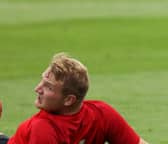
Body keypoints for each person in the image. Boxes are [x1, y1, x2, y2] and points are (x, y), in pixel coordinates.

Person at [0, 53, 148, 144]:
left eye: (48, 87)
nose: (37, 89)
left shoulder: (102, 114)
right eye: (42, 82)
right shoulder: (42, 127)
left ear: (69, 100)